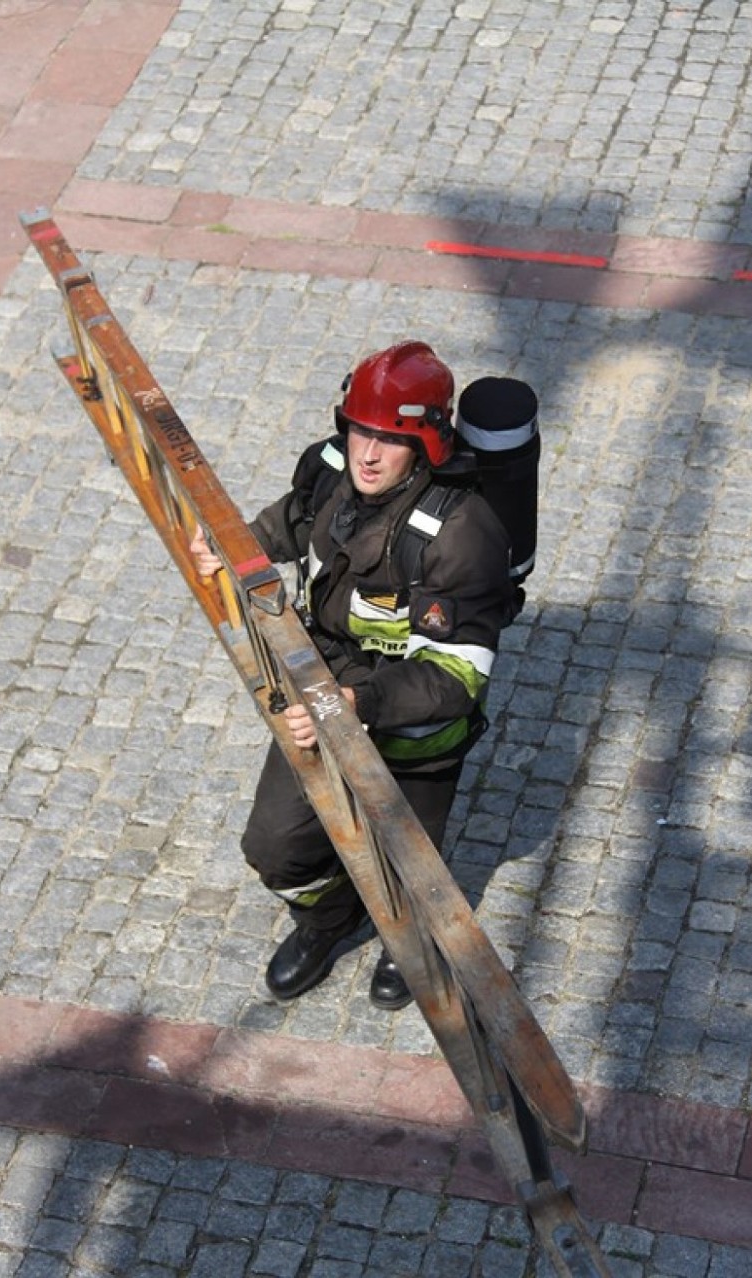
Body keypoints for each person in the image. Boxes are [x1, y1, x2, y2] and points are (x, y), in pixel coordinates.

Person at [190, 341, 514, 1010]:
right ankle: (331, 917)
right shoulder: (330, 467)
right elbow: (294, 523)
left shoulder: (462, 533)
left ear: (424, 442)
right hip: (324, 697)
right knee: (274, 850)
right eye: (360, 429)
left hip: (412, 734)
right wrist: (232, 542)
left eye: (390, 438)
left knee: (413, 876)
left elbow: (457, 679)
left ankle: (414, 946)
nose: (368, 453)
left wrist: (355, 700)